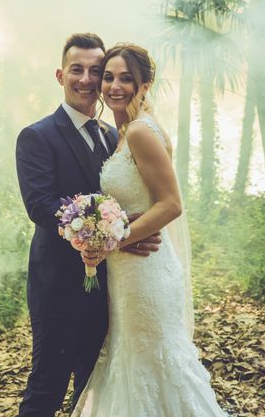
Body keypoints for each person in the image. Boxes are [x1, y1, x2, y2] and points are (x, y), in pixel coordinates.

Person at [71, 43, 228, 416]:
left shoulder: (140, 131)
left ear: (146, 83)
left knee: (153, 361)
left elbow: (171, 203)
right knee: (133, 359)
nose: (114, 86)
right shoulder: (123, 132)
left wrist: (112, 240)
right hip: (128, 271)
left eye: (126, 78)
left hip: (146, 270)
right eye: (108, 77)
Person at [15, 33, 160, 417]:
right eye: (76, 70)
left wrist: (130, 232)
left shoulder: (113, 135)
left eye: (95, 71)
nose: (86, 79)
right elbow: (41, 206)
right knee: (47, 387)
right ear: (60, 75)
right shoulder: (37, 136)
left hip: (109, 288)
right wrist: (111, 232)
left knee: (93, 389)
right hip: (58, 288)